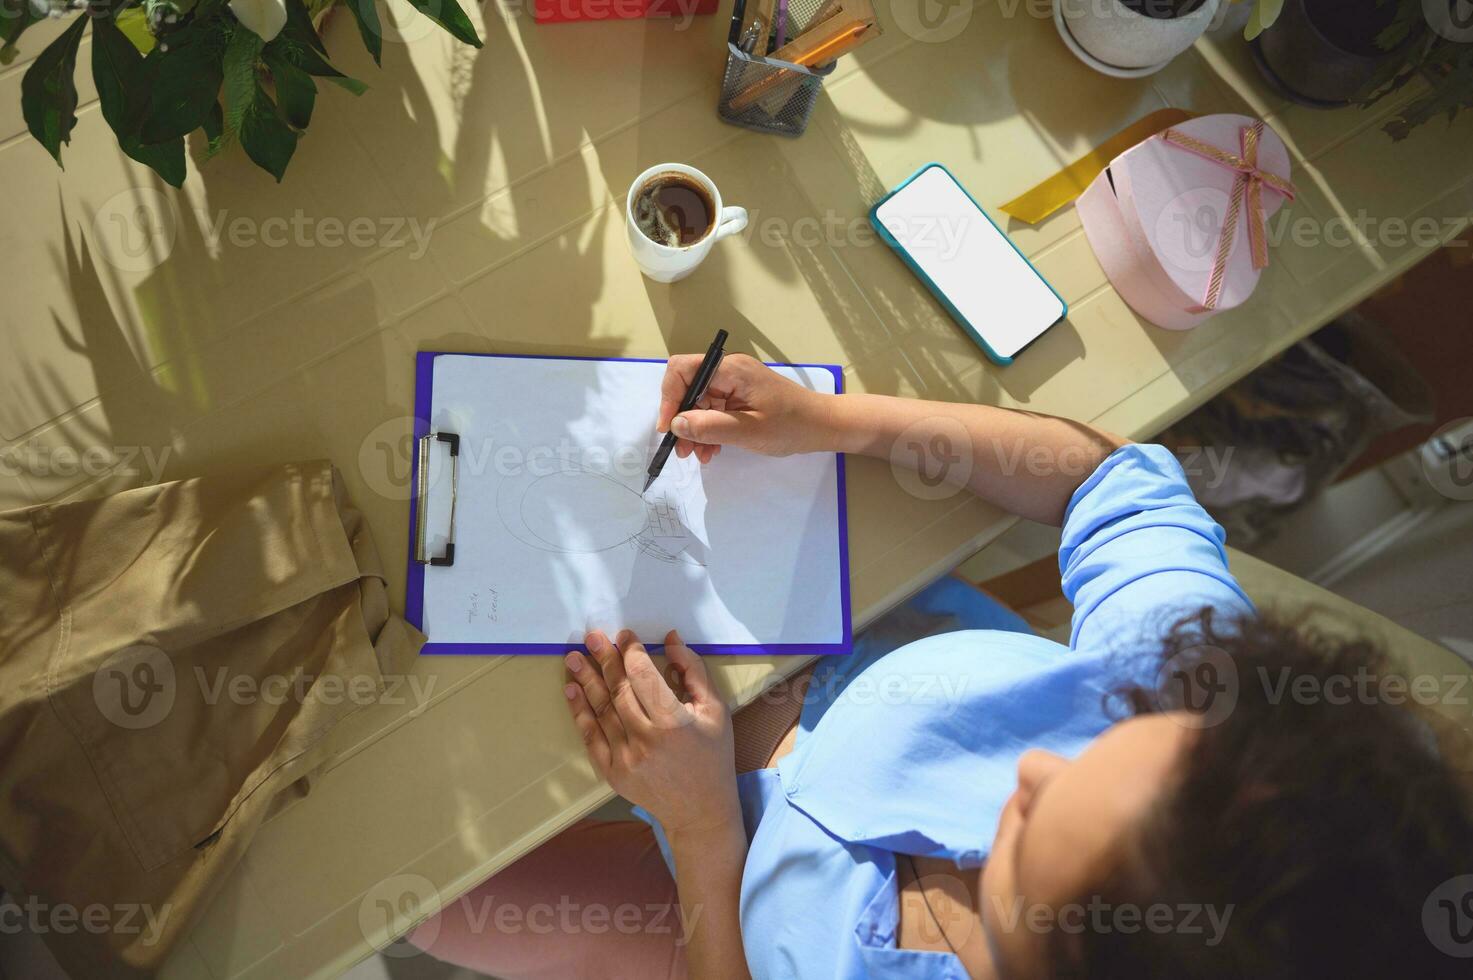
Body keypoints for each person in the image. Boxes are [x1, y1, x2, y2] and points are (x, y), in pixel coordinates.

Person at [409, 355, 1473, 979]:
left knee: (409, 890)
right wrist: (840, 420)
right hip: (819, 618)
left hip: (709, 885)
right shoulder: (1209, 703)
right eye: (1113, 739)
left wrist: (699, 830)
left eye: (1021, 849)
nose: (1032, 771)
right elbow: (1115, 485)